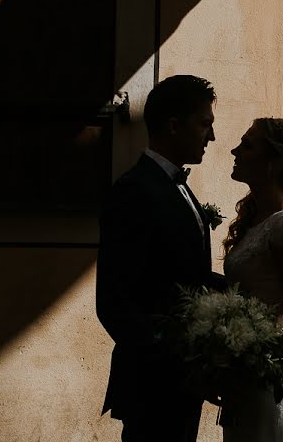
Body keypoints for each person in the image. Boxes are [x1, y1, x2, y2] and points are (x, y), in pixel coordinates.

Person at [96, 74, 225, 442]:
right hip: (153, 384)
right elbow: (114, 302)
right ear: (173, 126)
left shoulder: (175, 188)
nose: (211, 138)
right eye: (204, 125)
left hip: (184, 383)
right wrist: (175, 363)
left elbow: (179, 275)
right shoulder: (134, 192)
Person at [220, 117, 283, 442]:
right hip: (243, 380)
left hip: (267, 383)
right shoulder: (256, 220)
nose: (235, 150)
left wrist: (258, 367)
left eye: (247, 145)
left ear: (272, 162)